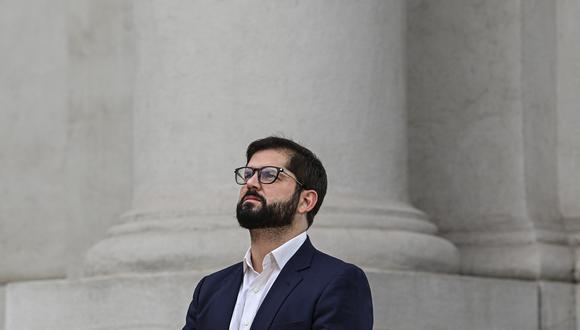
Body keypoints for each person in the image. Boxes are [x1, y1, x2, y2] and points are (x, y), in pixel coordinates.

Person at [182, 136, 373, 330]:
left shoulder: (338, 281)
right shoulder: (210, 289)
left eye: (269, 174)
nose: (251, 183)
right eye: (248, 174)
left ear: (306, 201)